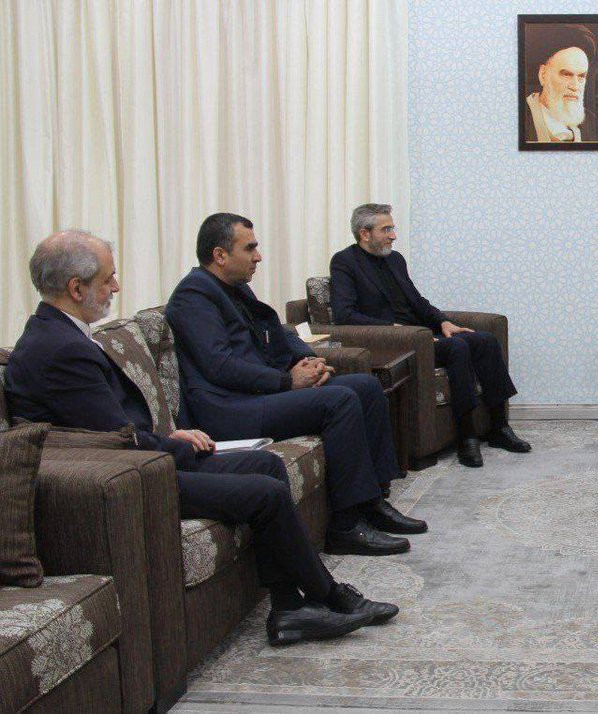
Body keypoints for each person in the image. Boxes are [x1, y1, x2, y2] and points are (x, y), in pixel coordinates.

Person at [5, 230, 399, 646]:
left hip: (138, 459)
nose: (116, 287)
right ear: (76, 288)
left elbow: (107, 426)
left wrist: (168, 434)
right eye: (108, 279)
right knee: (264, 493)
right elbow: (116, 440)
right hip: (132, 477)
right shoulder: (60, 349)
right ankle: (327, 595)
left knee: (267, 463)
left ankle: (289, 608)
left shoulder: (60, 334)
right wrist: (174, 445)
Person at [165, 213, 427, 557]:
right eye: (250, 248)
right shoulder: (193, 297)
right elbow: (220, 366)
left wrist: (308, 358)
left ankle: (373, 502)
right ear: (220, 255)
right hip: (229, 409)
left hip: (256, 396)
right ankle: (345, 526)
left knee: (366, 386)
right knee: (339, 401)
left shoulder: (235, 288)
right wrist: (287, 381)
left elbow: (277, 331)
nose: (259, 256)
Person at [330, 203, 529, 468]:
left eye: (392, 228)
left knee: (485, 341)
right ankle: (467, 435)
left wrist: (443, 321)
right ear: (364, 234)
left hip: (423, 333)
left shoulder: (395, 259)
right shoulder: (344, 262)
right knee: (457, 348)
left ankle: (499, 427)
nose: (393, 235)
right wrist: (393, 328)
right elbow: (344, 314)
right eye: (386, 229)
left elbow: (417, 301)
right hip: (398, 342)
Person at [523, 24, 598, 143]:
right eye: (566, 75)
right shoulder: (520, 116)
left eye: (581, 76)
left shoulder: (593, 123)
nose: (575, 86)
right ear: (543, 75)